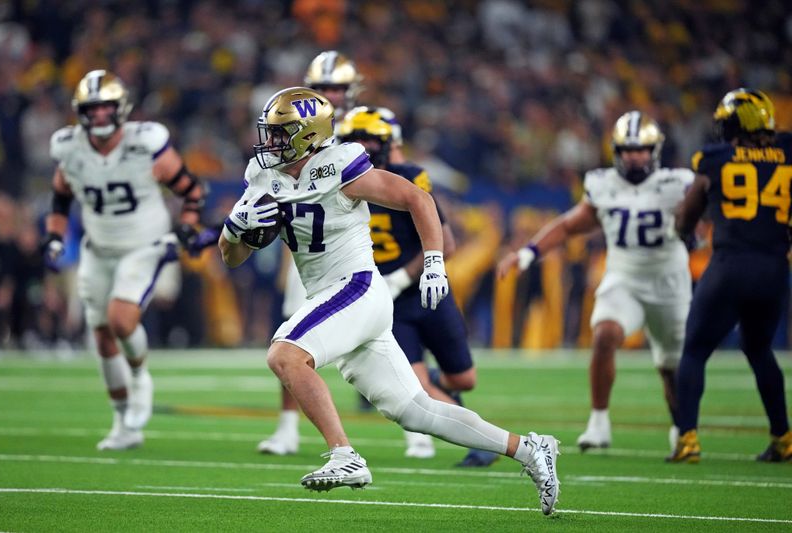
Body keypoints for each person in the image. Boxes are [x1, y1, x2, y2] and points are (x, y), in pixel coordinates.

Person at [219, 87, 559, 515]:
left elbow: (417, 198)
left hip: (356, 285)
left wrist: (434, 261)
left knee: (285, 356)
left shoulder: (340, 163)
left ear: (307, 135)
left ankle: (344, 455)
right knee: (417, 410)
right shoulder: (261, 175)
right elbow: (230, 257)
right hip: (332, 296)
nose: (269, 142)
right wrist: (234, 230)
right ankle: (531, 450)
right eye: (268, 132)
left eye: (280, 133)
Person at [498, 111, 694, 452]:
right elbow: (568, 225)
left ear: (655, 151)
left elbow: (712, 215)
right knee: (604, 334)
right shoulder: (604, 184)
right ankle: (599, 421)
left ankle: (683, 429)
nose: (635, 156)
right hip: (624, 276)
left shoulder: (677, 184)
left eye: (642, 149)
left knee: (670, 366)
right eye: (628, 149)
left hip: (669, 281)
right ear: (616, 151)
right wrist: (528, 253)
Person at [43, 70, 207, 450]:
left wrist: (186, 226)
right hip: (98, 248)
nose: (99, 117)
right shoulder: (68, 147)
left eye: (106, 108)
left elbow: (192, 190)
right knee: (101, 336)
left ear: (121, 109)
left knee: (121, 319)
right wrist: (54, 235)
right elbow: (60, 197)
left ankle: (140, 376)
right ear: (80, 113)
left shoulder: (146, 143)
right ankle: (123, 424)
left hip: (144, 244)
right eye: (92, 109)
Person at [336, 106, 498, 466]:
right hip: (386, 303)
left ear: (388, 143)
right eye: (354, 139)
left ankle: (437, 378)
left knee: (465, 379)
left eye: (369, 139)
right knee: (419, 386)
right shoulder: (337, 180)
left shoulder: (408, 176)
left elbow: (445, 242)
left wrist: (403, 276)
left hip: (424, 290)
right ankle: (483, 442)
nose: (361, 145)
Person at [669, 88, 792, 463]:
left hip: (730, 265)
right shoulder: (788, 152)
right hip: (774, 269)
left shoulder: (716, 158)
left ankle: (688, 440)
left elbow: (686, 216)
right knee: (758, 349)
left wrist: (686, 235)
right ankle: (783, 438)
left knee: (694, 350)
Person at [257, 51, 367, 455]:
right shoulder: (289, 133)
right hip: (308, 248)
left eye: (336, 88)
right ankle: (288, 426)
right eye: (322, 89)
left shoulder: (364, 127)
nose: (329, 95)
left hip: (360, 247)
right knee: (289, 334)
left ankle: (412, 429)